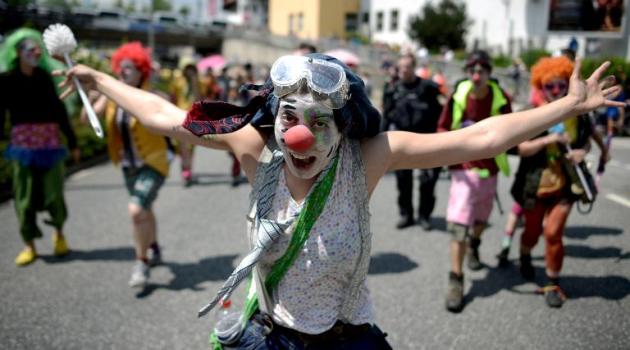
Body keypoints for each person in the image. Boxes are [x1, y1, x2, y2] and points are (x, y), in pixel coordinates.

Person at [58, 52, 622, 349]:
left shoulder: (367, 158)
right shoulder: (254, 150)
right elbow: (160, 113)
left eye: (320, 122)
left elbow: (479, 137)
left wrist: (565, 109)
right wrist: (95, 78)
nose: (302, 134)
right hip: (269, 339)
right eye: (289, 117)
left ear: (344, 123)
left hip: (346, 341)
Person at [512, 56, 610, 308]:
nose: (556, 91)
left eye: (560, 85)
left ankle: (552, 283)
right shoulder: (531, 114)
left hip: (565, 185)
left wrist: (583, 151)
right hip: (535, 186)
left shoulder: (576, 114)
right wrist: (548, 141)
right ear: (540, 87)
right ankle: (524, 255)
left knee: (553, 233)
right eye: (549, 86)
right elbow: (521, 149)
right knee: (532, 234)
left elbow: (588, 139)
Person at [86, 42, 168, 288]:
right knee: (145, 208)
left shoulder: (150, 96)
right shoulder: (113, 97)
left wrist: (185, 155)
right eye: (120, 68)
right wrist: (96, 94)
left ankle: (141, 263)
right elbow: (87, 119)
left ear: (141, 70)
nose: (122, 72)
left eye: (129, 68)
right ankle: (153, 247)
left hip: (153, 163)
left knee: (136, 211)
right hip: (127, 165)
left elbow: (173, 122)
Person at [437, 50, 513, 312]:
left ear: (490, 73)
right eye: (472, 71)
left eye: (482, 71)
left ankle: (475, 245)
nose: (477, 75)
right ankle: (456, 280)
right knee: (458, 226)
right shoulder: (458, 96)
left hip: (490, 171)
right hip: (462, 170)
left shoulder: (501, 98)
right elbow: (442, 128)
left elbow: (513, 129)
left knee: (481, 220)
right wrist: (453, 148)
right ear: (468, 73)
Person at [0, 28, 79, 266]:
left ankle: (59, 234)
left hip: (50, 143)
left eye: (37, 48)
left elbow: (60, 112)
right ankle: (29, 244)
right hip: (22, 146)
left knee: (54, 194)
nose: (35, 52)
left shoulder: (46, 78)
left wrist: (73, 142)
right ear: (17, 52)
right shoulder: (6, 80)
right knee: (24, 198)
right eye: (29, 48)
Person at [382, 54, 443, 230]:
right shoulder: (393, 90)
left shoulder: (428, 88)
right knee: (403, 182)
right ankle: (406, 215)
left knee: (427, 182)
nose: (404, 70)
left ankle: (424, 216)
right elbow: (386, 116)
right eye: (401, 67)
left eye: (407, 66)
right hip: (402, 144)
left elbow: (441, 115)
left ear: (414, 67)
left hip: (426, 141)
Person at [169, 58, 204, 186]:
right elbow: (172, 98)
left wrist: (195, 83)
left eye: (191, 68)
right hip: (179, 116)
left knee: (191, 146)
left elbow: (200, 99)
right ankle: (185, 170)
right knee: (182, 145)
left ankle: (188, 170)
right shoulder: (178, 82)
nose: (189, 71)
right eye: (187, 68)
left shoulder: (200, 82)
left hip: (194, 117)